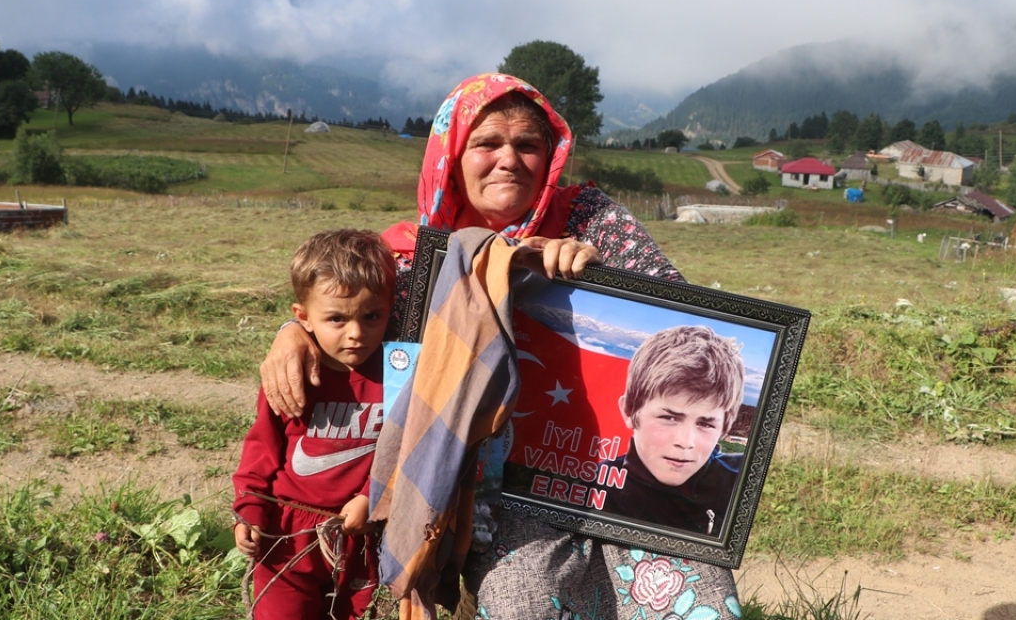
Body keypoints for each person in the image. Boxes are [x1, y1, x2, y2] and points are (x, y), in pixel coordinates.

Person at [258, 73, 741, 619]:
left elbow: (679, 314)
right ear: (452, 156)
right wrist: (291, 333)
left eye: (527, 145)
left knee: (696, 602)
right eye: (487, 143)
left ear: (550, 156)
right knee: (523, 601)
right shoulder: (412, 257)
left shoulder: (590, 219)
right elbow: (350, 325)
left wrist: (597, 279)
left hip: (627, 476)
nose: (508, 159)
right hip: (498, 493)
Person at [232, 229, 395, 620]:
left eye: (372, 316)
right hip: (287, 535)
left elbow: (411, 449)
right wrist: (250, 508)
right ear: (302, 317)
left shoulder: (400, 373)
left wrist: (373, 498)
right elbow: (262, 447)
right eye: (336, 318)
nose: (356, 333)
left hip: (362, 536)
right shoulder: (292, 375)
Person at [601, 325, 746, 536]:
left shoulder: (742, 481)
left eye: (705, 424)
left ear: (725, 428)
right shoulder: (590, 490)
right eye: (669, 418)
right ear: (629, 412)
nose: (685, 441)